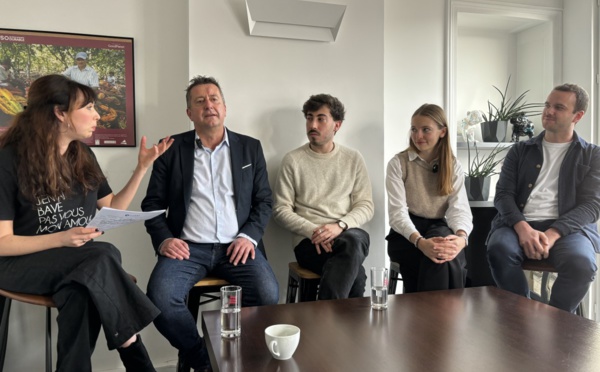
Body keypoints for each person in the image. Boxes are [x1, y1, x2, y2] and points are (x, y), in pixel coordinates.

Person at [0, 74, 174, 371]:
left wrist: (142, 168)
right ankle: (133, 348)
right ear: (60, 113)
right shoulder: (9, 160)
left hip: (77, 264)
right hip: (18, 264)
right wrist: (62, 238)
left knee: (83, 287)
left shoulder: (83, 155)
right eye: (89, 107)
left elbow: (113, 208)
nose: (96, 115)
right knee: (104, 254)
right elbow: (3, 244)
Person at [142, 75, 279, 371]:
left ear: (225, 108)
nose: (209, 105)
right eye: (200, 101)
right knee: (160, 299)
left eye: (214, 98)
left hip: (237, 247)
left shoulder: (249, 148)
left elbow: (263, 201)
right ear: (189, 113)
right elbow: (152, 205)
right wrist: (165, 239)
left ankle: (240, 357)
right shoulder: (170, 149)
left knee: (267, 294)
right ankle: (202, 357)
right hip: (188, 249)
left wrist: (249, 237)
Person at [487, 83, 600, 313]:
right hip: (517, 223)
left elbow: (592, 205)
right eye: (548, 105)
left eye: (559, 107)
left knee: (582, 263)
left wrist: (553, 233)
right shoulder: (519, 150)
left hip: (569, 230)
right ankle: (521, 316)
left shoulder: (593, 155)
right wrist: (522, 228)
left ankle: (557, 322)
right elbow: (503, 195)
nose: (549, 111)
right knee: (499, 249)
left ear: (577, 115)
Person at [273, 93, 374, 300]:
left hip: (346, 234)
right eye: (309, 118)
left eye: (321, 118)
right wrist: (314, 231)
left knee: (355, 241)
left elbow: (365, 205)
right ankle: (341, 328)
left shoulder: (353, 158)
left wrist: (339, 226)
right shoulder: (293, 160)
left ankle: (324, 321)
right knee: (358, 274)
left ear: (337, 125)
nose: (313, 124)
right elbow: (280, 209)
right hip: (309, 242)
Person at [385, 104, 473, 293]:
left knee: (443, 252)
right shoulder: (398, 164)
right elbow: (397, 214)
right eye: (414, 129)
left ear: (442, 132)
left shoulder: (452, 165)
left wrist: (460, 239)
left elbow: (460, 209)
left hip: (438, 228)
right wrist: (420, 242)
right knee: (439, 257)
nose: (418, 136)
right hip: (405, 235)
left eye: (426, 130)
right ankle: (445, 317)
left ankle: (429, 317)